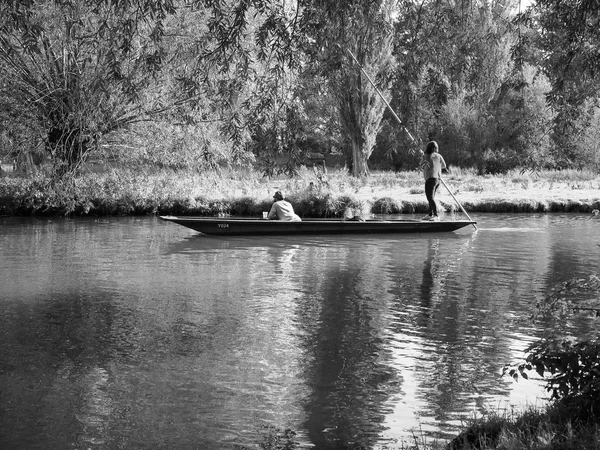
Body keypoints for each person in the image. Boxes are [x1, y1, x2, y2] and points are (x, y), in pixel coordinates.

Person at [421, 140, 448, 221]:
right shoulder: (439, 156)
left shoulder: (426, 156)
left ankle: (436, 215)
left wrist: (423, 157)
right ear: (434, 148)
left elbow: (421, 166)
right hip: (437, 180)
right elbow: (444, 166)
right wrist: (436, 166)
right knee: (431, 197)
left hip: (430, 179)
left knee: (430, 198)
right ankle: (430, 214)